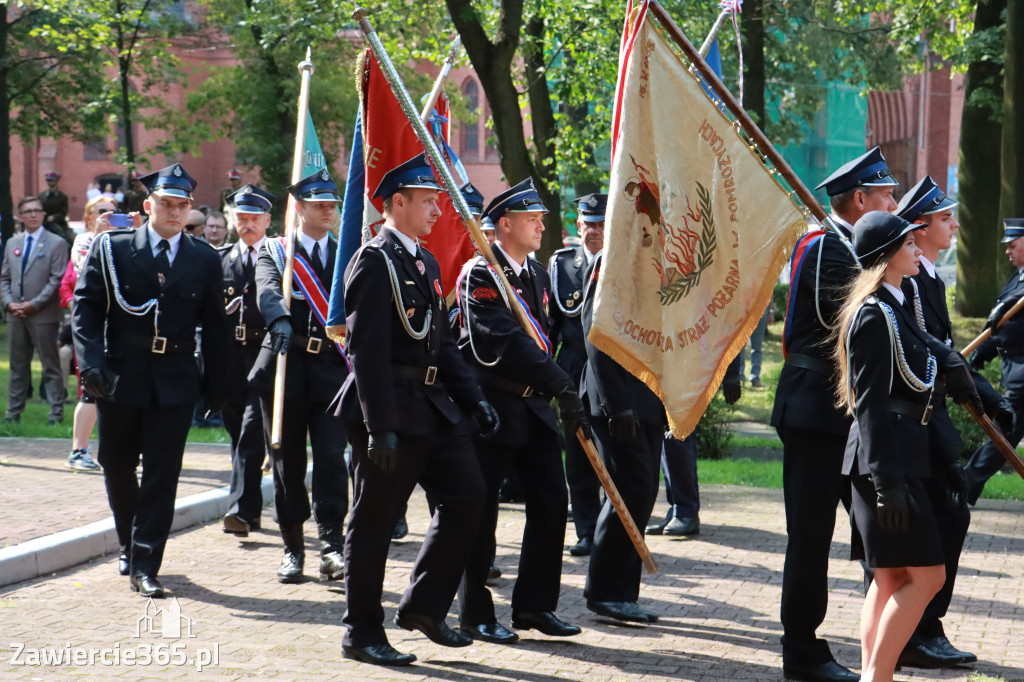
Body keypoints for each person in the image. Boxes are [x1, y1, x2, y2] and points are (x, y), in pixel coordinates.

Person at [338, 153, 497, 666]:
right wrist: (378, 426)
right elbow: (365, 350)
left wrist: (473, 399)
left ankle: (424, 608)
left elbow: (443, 343)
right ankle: (361, 632)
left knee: (469, 496)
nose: (437, 210)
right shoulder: (374, 259)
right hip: (389, 411)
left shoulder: (424, 261)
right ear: (396, 204)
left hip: (433, 407)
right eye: (428, 201)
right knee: (375, 522)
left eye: (437, 201)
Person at [71, 163, 228, 598]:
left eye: (182, 206)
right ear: (148, 205)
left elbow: (215, 328)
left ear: (190, 209)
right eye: (166, 204)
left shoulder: (203, 258)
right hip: (121, 374)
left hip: (176, 379)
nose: (175, 213)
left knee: (163, 472)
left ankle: (145, 562)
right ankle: (128, 540)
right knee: (117, 464)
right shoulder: (114, 248)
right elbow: (85, 308)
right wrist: (92, 363)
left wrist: (218, 387)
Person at [772, 147, 897, 682]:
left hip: (833, 410)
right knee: (811, 534)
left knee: (871, 529)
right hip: (814, 409)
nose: (894, 205)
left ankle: (895, 631)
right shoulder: (828, 248)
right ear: (861, 199)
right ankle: (800, 649)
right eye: (887, 196)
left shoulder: (842, 247)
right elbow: (841, 321)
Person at [456, 177, 588, 643]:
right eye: (532, 220)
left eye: (541, 220)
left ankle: (534, 606)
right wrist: (559, 381)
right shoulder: (480, 274)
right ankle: (475, 612)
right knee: (481, 510)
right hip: (492, 406)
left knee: (553, 501)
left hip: (532, 407)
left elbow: (548, 334)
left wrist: (557, 385)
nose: (540, 227)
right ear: (504, 225)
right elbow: (504, 340)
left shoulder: (536, 274)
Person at [895, 176, 1013, 668]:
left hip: (933, 420)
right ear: (919, 230)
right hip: (914, 425)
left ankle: (920, 630)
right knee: (932, 524)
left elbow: (944, 352)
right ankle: (916, 632)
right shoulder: (908, 280)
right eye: (946, 218)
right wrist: (982, 392)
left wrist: (987, 396)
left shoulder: (928, 276)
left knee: (949, 515)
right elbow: (929, 351)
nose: (956, 225)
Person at [836, 211, 955, 682]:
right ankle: (876, 678)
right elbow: (869, 405)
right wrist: (888, 483)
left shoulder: (896, 306)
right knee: (928, 577)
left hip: (892, 459)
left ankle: (873, 673)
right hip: (882, 466)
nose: (917, 249)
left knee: (889, 579)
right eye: (908, 244)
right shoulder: (872, 314)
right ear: (885, 258)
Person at [249, 169, 351, 584]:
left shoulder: (348, 252)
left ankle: (331, 544)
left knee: (331, 460)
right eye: (320, 203)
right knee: (287, 463)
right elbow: (267, 288)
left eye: (332, 203)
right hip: (285, 368)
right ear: (300, 208)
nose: (329, 209)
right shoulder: (275, 251)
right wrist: (279, 319)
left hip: (331, 370)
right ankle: (293, 547)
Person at [578, 249, 665, 623]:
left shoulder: (660, 256)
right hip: (617, 398)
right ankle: (604, 590)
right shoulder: (614, 254)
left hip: (648, 395)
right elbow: (596, 331)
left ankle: (622, 593)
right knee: (628, 491)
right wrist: (618, 403)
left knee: (643, 491)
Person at [548, 192, 606, 557]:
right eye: (589, 225)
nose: (595, 232)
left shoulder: (624, 262)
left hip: (612, 375)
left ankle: (611, 530)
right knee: (580, 454)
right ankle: (586, 530)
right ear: (578, 226)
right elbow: (550, 326)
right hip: (574, 371)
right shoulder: (562, 265)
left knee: (614, 455)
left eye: (602, 225)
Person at [218, 185, 276, 538]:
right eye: (242, 218)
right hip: (230, 358)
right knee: (236, 432)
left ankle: (238, 509)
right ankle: (250, 511)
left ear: (268, 220)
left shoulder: (280, 257)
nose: (248, 224)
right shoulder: (220, 258)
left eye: (255, 218)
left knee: (252, 431)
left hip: (265, 355)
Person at [60, 195, 120, 471]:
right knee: (92, 389)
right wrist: (100, 234)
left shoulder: (126, 240)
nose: (108, 215)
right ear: (88, 217)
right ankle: (79, 450)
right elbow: (87, 270)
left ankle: (122, 449)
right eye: (101, 211)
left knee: (121, 390)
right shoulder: (85, 241)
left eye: (113, 211)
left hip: (120, 327)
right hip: (95, 327)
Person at [966, 218, 1024, 502]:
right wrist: (984, 352)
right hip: (1015, 371)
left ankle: (965, 486)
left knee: (1001, 435)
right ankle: (966, 484)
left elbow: (1008, 320)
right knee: (1003, 435)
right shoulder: (1018, 278)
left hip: (1022, 378)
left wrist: (1005, 308)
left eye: (1013, 244)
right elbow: (1001, 324)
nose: (1007, 251)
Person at [1, 196, 70, 426]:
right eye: (27, 211)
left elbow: (56, 279)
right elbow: (4, 277)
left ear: (43, 214)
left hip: (43, 316)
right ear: (20, 216)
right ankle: (12, 414)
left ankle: (55, 413)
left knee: (50, 366)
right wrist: (9, 304)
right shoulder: (12, 243)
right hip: (15, 315)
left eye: (37, 211)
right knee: (18, 367)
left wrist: (33, 305)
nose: (33, 214)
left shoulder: (57, 243)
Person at [38, 171, 74, 247]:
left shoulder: (63, 197)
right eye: (48, 180)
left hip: (59, 223)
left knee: (70, 239)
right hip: (44, 223)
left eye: (52, 180)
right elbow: (38, 208)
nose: (50, 182)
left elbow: (64, 212)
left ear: (56, 181)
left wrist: (54, 217)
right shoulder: (41, 196)